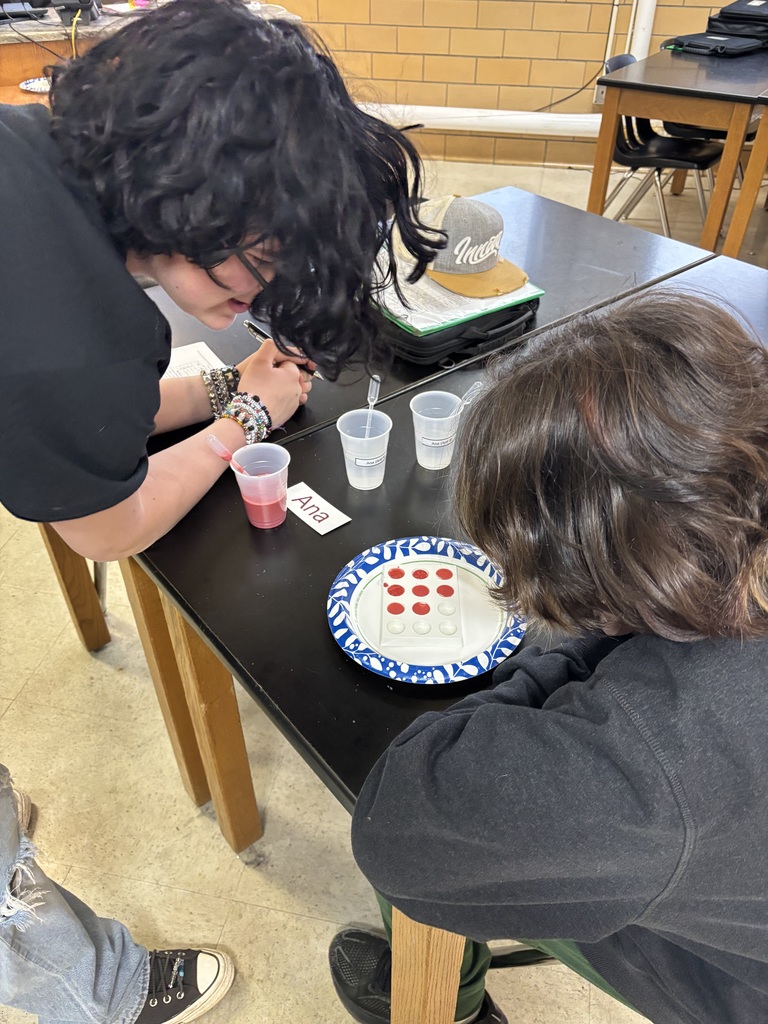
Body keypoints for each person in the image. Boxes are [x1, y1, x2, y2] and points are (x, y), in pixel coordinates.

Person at [0, 0, 439, 1020]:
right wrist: (242, 422)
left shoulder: (35, 157)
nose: (266, 285)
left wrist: (230, 391)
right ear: (185, 196)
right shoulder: (70, 334)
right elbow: (105, 521)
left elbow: (86, 414)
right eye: (263, 254)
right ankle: (87, 986)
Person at [330, 289, 768, 1024]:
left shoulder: (657, 765)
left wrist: (573, 654)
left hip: (741, 981)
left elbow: (399, 829)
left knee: (460, 856)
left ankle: (454, 1005)